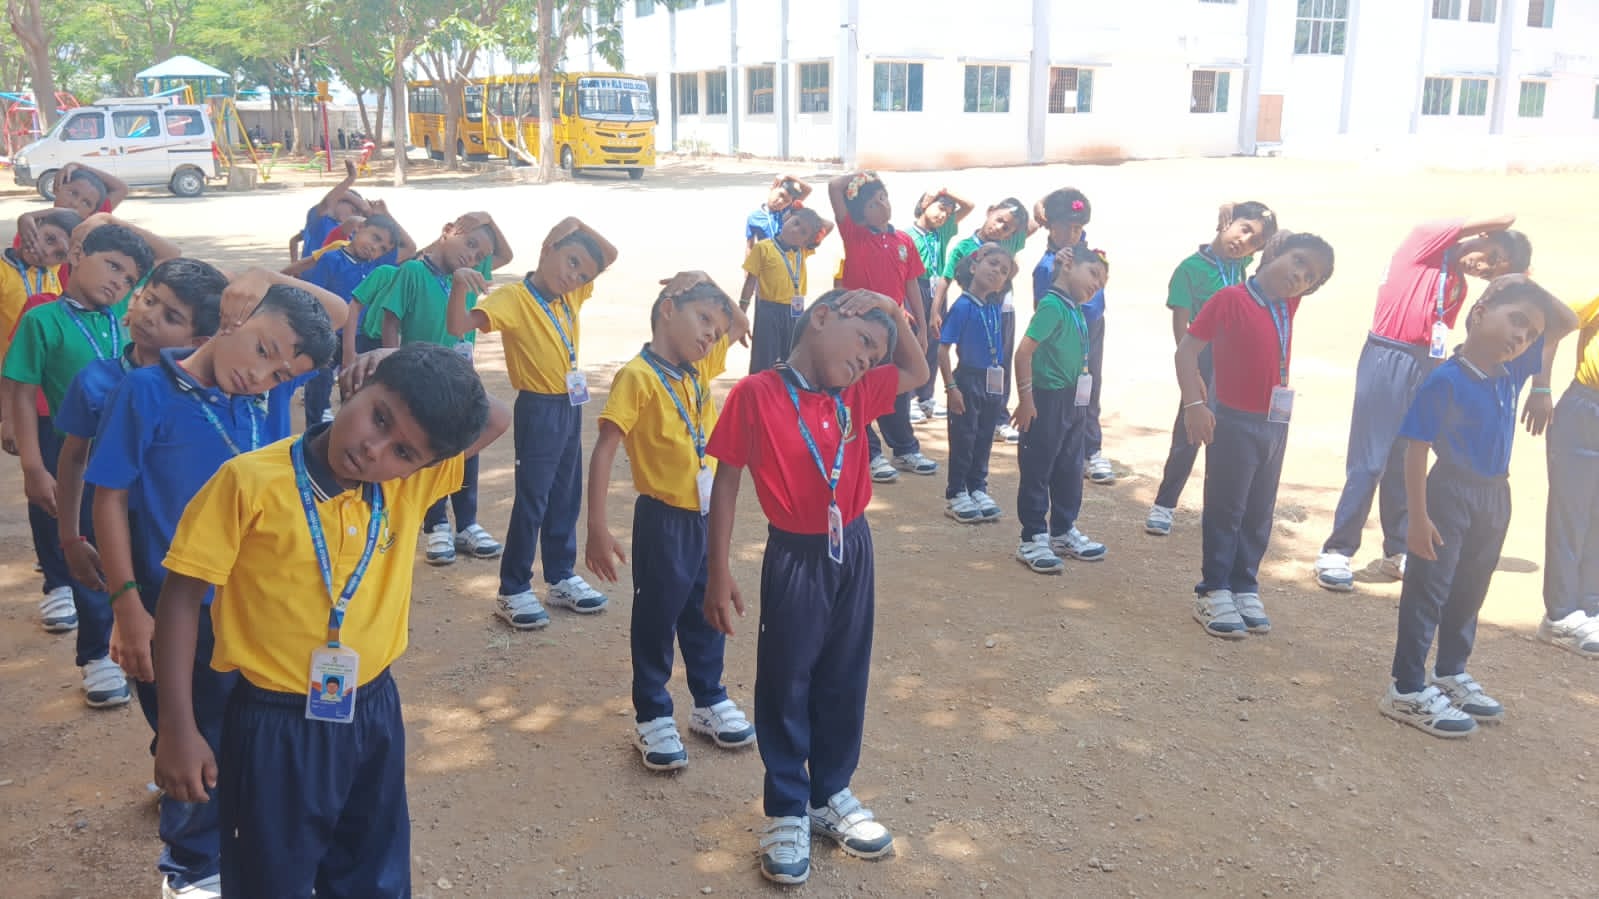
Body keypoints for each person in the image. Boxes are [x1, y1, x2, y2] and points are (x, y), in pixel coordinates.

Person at [151, 344, 509, 899]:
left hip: (372, 709)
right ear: (355, 385)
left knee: (373, 870)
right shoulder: (248, 482)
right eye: (379, 417)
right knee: (273, 879)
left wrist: (398, 356)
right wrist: (177, 728)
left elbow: (497, 417)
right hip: (273, 722)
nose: (373, 449)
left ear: (423, 465)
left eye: (403, 451)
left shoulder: (409, 484)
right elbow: (180, 599)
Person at [88, 281, 339, 899]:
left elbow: (334, 314)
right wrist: (126, 607)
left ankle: (240, 839)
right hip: (176, 607)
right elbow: (109, 498)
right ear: (231, 318)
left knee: (245, 729)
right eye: (262, 350)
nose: (263, 375)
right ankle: (192, 868)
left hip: (252, 608)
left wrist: (268, 285)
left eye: (281, 373)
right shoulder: (144, 391)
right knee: (189, 728)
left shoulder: (267, 395)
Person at [703, 288, 927, 886]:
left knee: (845, 672)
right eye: (863, 342)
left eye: (874, 356)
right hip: (795, 555)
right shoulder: (756, 394)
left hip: (853, 545)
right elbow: (726, 482)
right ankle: (786, 807)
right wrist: (718, 571)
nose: (865, 361)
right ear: (822, 317)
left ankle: (829, 793)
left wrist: (891, 310)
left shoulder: (858, 393)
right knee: (787, 679)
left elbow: (917, 370)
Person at [1378, 275, 1574, 736]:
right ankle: (1406, 688)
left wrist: (1528, 288)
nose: (1521, 337)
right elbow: (1415, 450)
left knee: (1470, 588)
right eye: (1516, 321)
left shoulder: (1514, 369)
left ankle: (1450, 671)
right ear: (1481, 312)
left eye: (1530, 333)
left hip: (1495, 495)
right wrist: (1417, 518)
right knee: (1429, 590)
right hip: (1450, 493)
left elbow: (1565, 323)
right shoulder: (1446, 380)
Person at [585, 272, 755, 771]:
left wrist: (708, 283)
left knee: (707, 608)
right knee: (657, 617)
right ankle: (653, 712)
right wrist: (596, 526)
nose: (710, 335)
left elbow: (740, 323)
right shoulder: (638, 376)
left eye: (714, 329)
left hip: (705, 518)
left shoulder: (696, 369)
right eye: (702, 319)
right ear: (667, 309)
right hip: (663, 521)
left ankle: (708, 698)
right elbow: (606, 447)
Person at [1314, 217, 1532, 592]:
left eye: (1492, 270)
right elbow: (1504, 217)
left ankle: (1397, 547)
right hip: (1388, 355)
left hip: (1427, 362)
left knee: (1404, 458)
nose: (1484, 267)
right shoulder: (1425, 248)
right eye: (1492, 256)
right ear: (1482, 237)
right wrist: (1509, 256)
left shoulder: (1459, 284)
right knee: (1370, 461)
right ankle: (1337, 550)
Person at [1, 222, 155, 706]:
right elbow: (23, 392)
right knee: (90, 549)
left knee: (131, 544)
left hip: (129, 454)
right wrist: (32, 466)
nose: (118, 282)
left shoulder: (126, 319)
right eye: (111, 266)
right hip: (73, 450)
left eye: (128, 279)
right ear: (77, 253)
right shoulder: (42, 320)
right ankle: (96, 655)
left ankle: (134, 635)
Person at [446, 217, 617, 629]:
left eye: (582, 275)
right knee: (533, 499)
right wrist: (459, 287)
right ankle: (513, 588)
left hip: (570, 405)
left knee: (565, 493)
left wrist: (576, 225)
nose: (574, 277)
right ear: (548, 248)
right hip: (538, 408)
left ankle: (560, 576)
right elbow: (457, 326)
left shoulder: (569, 296)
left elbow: (609, 255)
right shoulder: (515, 298)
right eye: (571, 262)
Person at [1180, 232, 1336, 639]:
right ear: (1273, 253)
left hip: (1274, 423)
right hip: (1233, 421)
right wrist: (1195, 404)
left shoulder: (1288, 303)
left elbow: (1298, 270)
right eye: (1297, 261)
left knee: (1259, 509)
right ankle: (1213, 588)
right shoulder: (1230, 299)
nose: (1300, 276)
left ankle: (1244, 584)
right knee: (1226, 508)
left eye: (1310, 277)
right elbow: (1187, 350)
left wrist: (1298, 264)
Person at [365, 212, 511, 565]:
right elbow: (391, 321)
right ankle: (436, 525)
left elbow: (505, 255)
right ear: (448, 231)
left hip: (462, 378)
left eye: (479, 255)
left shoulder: (466, 275)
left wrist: (488, 219)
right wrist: (393, 371)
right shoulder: (414, 272)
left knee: (466, 445)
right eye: (469, 243)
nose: (472, 256)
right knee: (430, 441)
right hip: (425, 379)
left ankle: (467, 523)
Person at [1145, 201, 1279, 536]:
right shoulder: (1190, 269)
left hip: (1237, 361)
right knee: (1189, 431)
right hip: (1203, 358)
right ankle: (1164, 504)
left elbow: (1282, 245)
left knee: (1230, 432)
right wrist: (1190, 373)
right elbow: (1181, 328)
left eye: (1255, 241)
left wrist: (1238, 214)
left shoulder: (1241, 265)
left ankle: (1222, 508)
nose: (1244, 241)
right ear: (1226, 222)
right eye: (1243, 229)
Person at [827, 171, 935, 483]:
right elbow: (834, 187)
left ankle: (904, 448)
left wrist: (922, 327)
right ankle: (871, 452)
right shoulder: (854, 233)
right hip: (859, 326)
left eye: (884, 198)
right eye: (874, 203)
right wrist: (863, 176)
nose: (883, 206)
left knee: (896, 387)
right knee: (859, 385)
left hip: (896, 325)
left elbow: (911, 283)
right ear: (861, 213)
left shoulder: (904, 241)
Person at [1011, 245, 1110, 574]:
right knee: (1039, 468)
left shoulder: (1076, 310)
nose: (1096, 285)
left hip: (1074, 401)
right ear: (1067, 265)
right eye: (1093, 274)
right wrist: (1027, 400)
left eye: (1102, 283)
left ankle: (1063, 531)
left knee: (1069, 467)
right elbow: (1023, 354)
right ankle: (1033, 537)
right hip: (1048, 401)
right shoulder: (1052, 305)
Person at [287, 212, 413, 428]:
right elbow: (316, 298)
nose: (375, 248)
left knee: (356, 385)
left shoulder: (375, 266)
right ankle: (315, 427)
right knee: (319, 383)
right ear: (359, 228)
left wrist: (385, 213)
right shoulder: (331, 259)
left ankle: (347, 426)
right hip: (328, 334)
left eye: (383, 248)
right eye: (375, 237)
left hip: (360, 337)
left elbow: (410, 247)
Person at [937, 197, 1032, 443]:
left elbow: (1032, 226)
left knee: (1001, 361)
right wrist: (935, 310)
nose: (1001, 228)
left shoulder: (1008, 246)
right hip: (969, 369)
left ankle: (999, 417)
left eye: (1008, 227)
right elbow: (946, 278)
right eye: (999, 220)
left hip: (999, 329)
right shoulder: (962, 305)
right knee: (965, 441)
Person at [938, 243, 1017, 524]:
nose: (997, 272)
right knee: (964, 437)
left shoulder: (994, 306)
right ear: (973, 267)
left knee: (984, 437)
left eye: (1003, 271)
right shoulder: (962, 307)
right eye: (992, 263)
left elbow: (1014, 271)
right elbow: (942, 350)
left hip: (992, 382)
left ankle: (977, 487)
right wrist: (951, 388)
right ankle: (957, 492)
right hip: (968, 380)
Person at [1539, 292, 1599, 657]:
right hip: (1586, 410)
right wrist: (1541, 386)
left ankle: (1591, 608)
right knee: (1571, 515)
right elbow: (1552, 322)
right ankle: (1560, 615)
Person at [908, 188, 974, 421]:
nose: (943, 216)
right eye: (940, 208)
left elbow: (969, 206)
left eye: (948, 212)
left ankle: (926, 397)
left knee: (935, 339)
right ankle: (909, 398)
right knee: (914, 341)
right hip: (915, 288)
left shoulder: (942, 232)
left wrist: (945, 192)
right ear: (924, 205)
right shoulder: (906, 235)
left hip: (937, 292)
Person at [740, 207, 829, 374]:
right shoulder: (763, 248)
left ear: (806, 242)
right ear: (787, 218)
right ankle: (760, 388)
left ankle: (786, 388)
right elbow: (750, 283)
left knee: (791, 358)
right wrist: (741, 314)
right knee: (765, 358)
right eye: (795, 222)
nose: (795, 230)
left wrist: (809, 221)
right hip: (769, 311)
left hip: (795, 311)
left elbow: (828, 226)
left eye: (803, 232)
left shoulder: (803, 251)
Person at [288, 159, 367, 263]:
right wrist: (351, 178)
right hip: (312, 272)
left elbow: (294, 240)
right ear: (337, 203)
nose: (354, 216)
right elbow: (329, 200)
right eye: (353, 210)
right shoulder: (321, 220)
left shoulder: (350, 234)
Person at [747, 175, 812, 249]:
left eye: (786, 201)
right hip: (766, 255)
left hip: (788, 255)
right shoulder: (754, 217)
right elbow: (750, 246)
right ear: (772, 188)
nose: (781, 202)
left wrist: (788, 175)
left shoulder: (787, 211)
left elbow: (808, 190)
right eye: (781, 195)